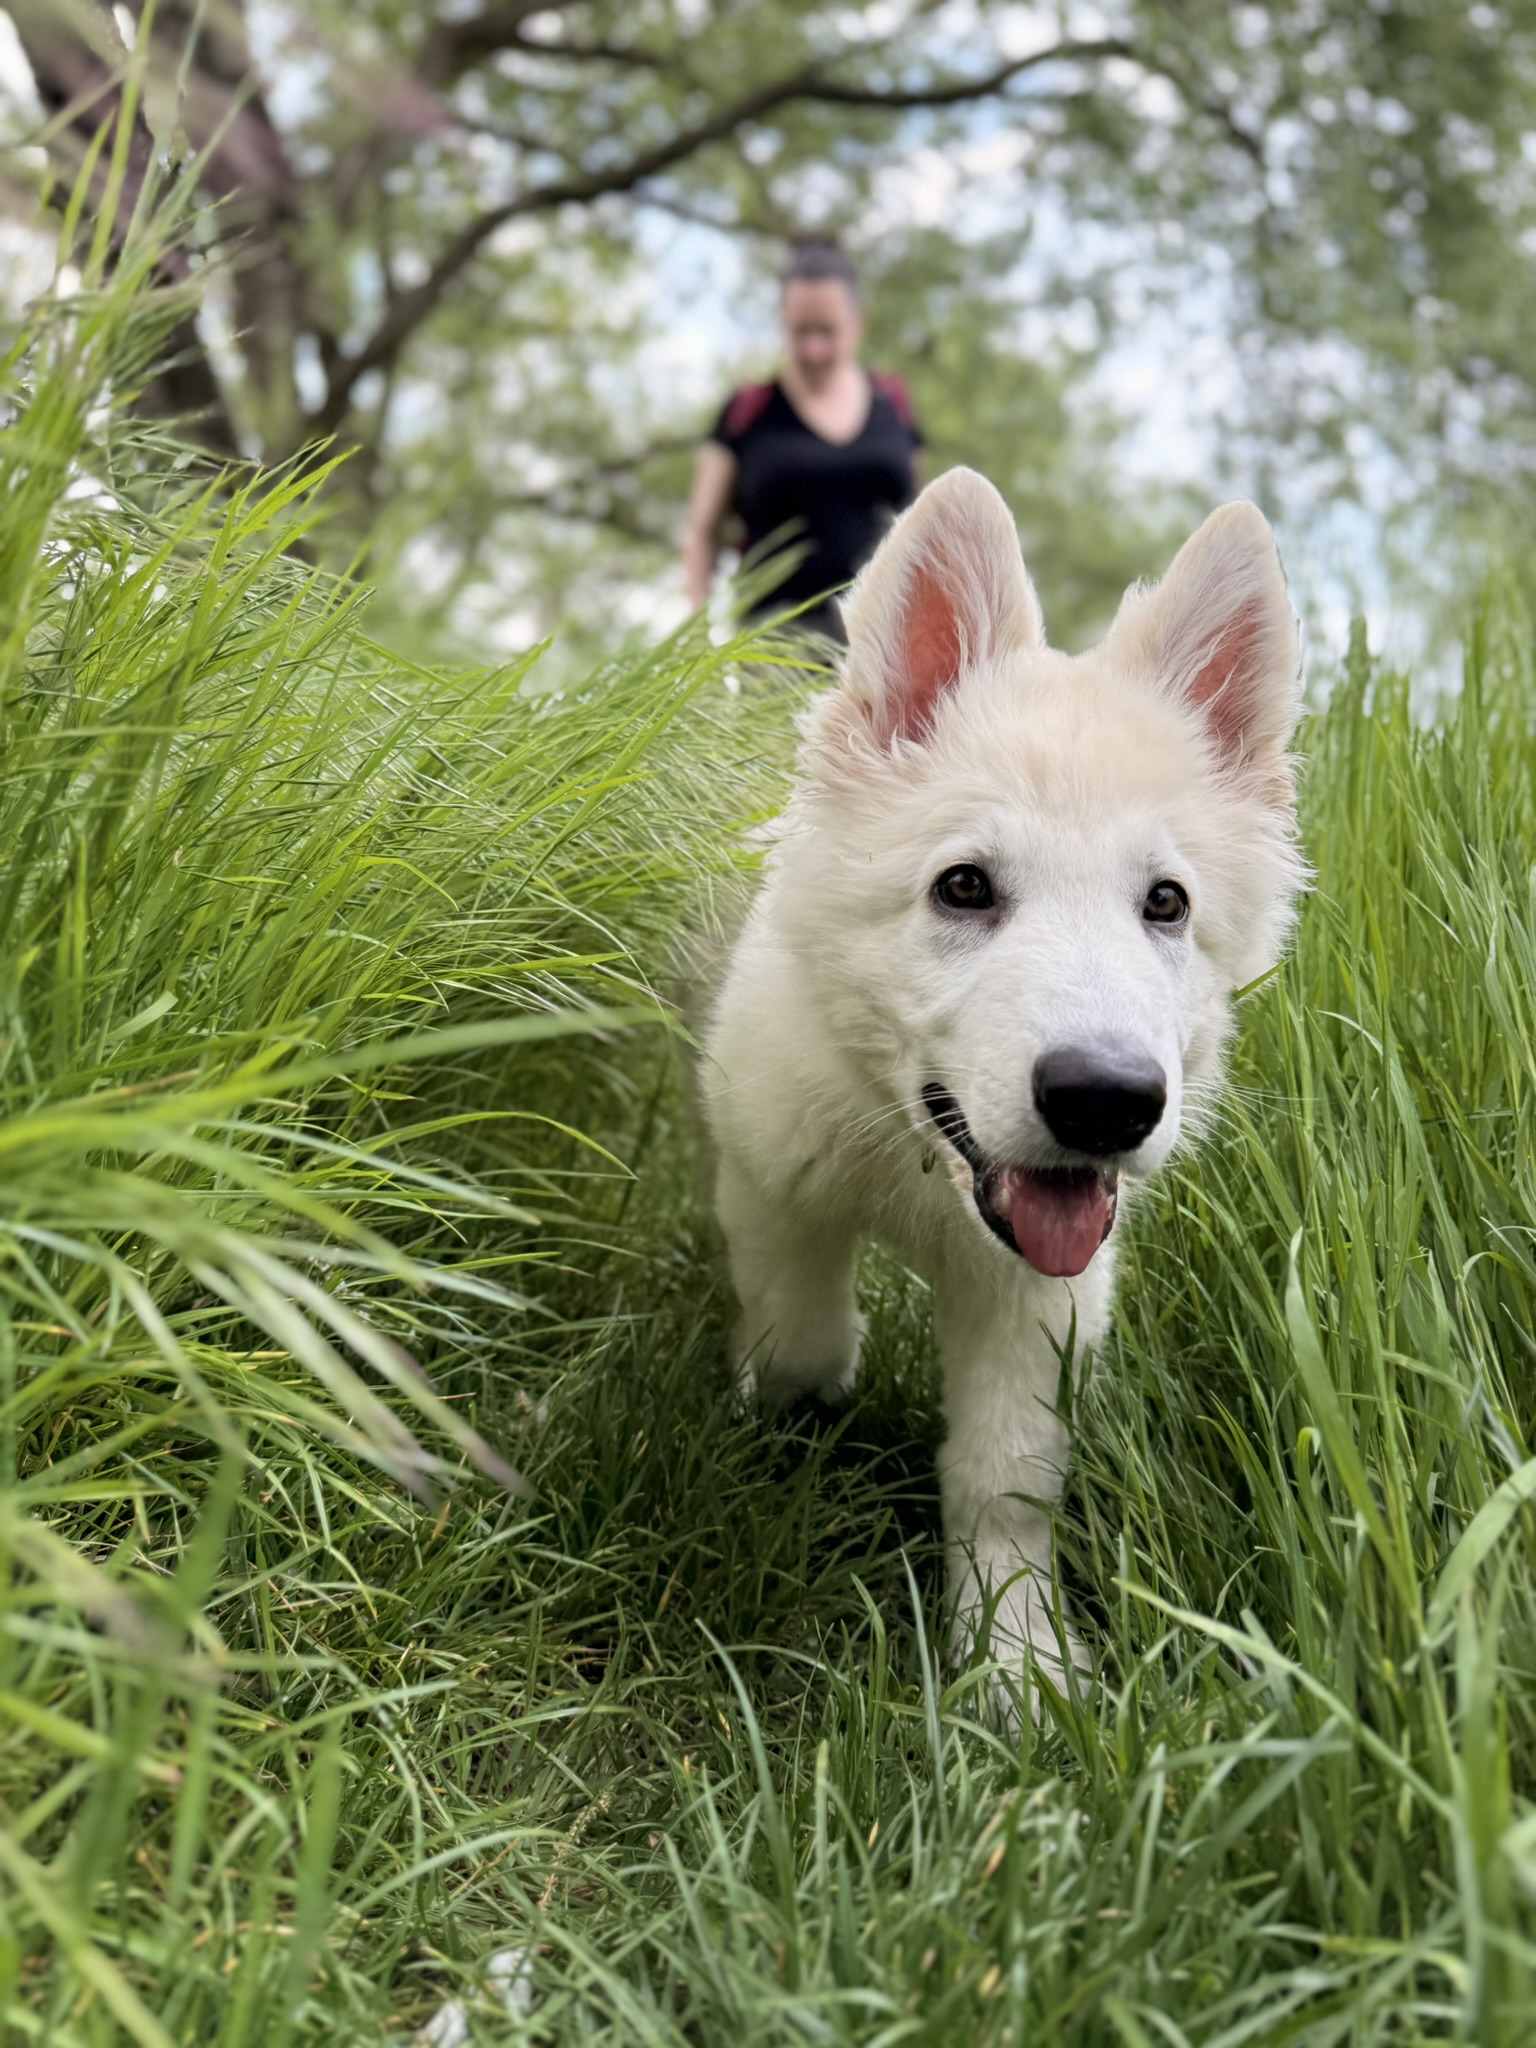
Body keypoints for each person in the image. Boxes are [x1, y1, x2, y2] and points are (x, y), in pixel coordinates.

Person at [683, 240, 925, 643]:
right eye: (800, 331)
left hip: (886, 639)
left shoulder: (893, 403)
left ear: (858, 321)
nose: (814, 349)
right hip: (779, 643)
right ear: (783, 320)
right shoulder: (749, 411)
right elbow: (702, 531)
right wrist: (695, 637)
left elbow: (921, 515)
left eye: (827, 331)